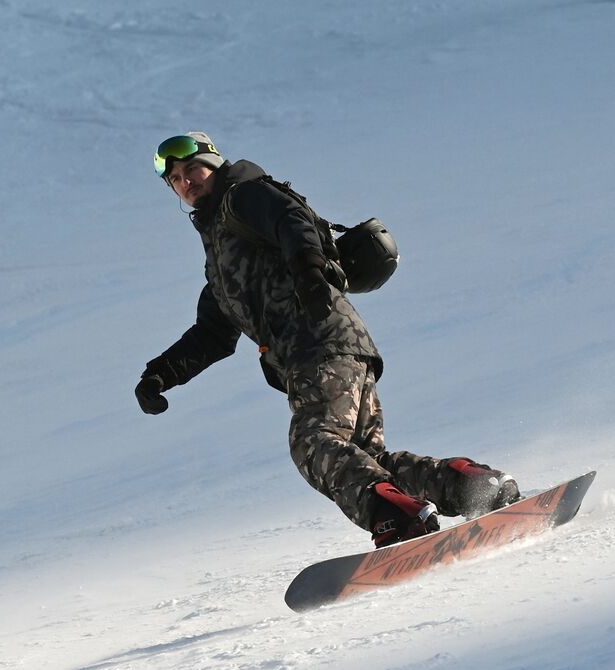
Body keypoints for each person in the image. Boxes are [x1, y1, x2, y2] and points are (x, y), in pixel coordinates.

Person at [136, 132, 519, 546]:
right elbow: (213, 332)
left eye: (192, 168)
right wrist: (159, 375)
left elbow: (290, 220)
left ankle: (394, 514)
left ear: (213, 163)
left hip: (315, 342)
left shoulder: (242, 195)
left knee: (313, 442)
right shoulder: (223, 255)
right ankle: (474, 487)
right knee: (367, 459)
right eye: (175, 179)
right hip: (337, 345)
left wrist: (308, 274)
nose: (186, 181)